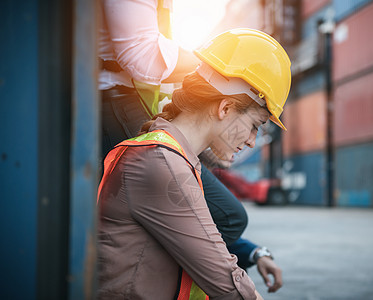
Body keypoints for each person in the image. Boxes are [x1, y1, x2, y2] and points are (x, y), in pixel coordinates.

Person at [99, 0, 283, 293]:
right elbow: (141, 53)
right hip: (117, 102)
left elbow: (192, 219)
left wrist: (251, 253)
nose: (252, 141)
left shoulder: (176, 156)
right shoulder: (160, 161)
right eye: (255, 125)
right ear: (224, 108)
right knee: (231, 215)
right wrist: (216, 65)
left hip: (127, 105)